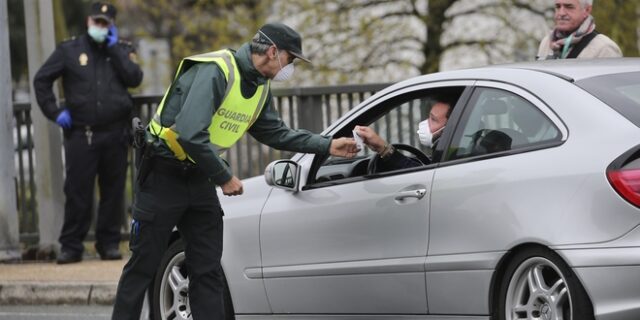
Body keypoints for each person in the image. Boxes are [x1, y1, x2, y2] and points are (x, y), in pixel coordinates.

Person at [111, 22, 358, 320]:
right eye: (290, 60)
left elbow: (275, 133)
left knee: (208, 269)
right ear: (272, 52)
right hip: (162, 175)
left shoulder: (259, 86)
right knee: (143, 267)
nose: (289, 68)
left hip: (199, 178)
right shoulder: (216, 70)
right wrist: (224, 177)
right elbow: (190, 133)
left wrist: (327, 146)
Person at [33, 2, 143, 264]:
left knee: (113, 193)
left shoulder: (123, 50)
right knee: (78, 191)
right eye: (97, 22)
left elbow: (134, 78)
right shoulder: (69, 50)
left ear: (112, 25)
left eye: (105, 23)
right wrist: (54, 111)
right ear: (88, 22)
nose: (100, 27)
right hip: (82, 134)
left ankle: (108, 244)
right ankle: (71, 246)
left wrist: (114, 48)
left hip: (115, 133)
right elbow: (42, 80)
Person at [354, 100, 451, 172]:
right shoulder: (453, 153)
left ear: (449, 127)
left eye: (433, 119)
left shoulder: (453, 158)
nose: (425, 123)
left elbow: (422, 176)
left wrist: (383, 148)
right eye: (429, 117)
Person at [537, 0, 622, 60]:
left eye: (569, 7)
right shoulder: (547, 42)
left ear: (587, 10)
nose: (561, 13)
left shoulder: (605, 48)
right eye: (558, 6)